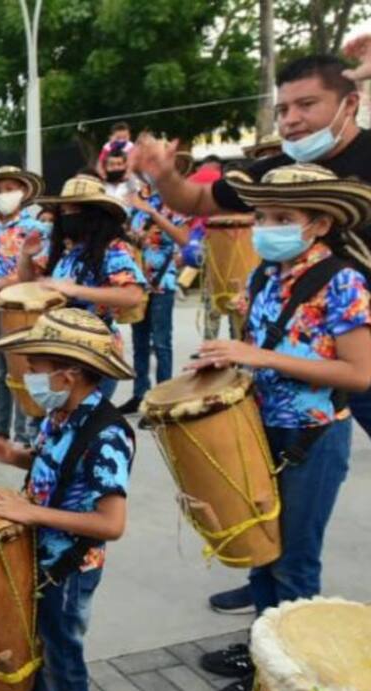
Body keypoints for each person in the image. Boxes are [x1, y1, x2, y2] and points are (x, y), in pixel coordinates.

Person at [185, 166, 371, 691]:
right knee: (260, 547)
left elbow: (360, 374)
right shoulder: (264, 275)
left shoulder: (344, 281)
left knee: (293, 559)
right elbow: (255, 347)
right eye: (263, 217)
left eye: (283, 219)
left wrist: (257, 356)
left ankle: (295, 670)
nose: (267, 228)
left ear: (318, 223)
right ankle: (265, 647)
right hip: (258, 427)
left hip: (312, 436)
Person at [133, 53, 371, 439]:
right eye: (282, 109)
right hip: (304, 353)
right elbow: (196, 201)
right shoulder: (272, 175)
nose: (290, 119)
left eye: (306, 105)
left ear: (350, 103)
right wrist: (164, 176)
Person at [0, 307, 135, 691]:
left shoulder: (107, 434)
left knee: (64, 651)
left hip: (71, 564)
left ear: (67, 375)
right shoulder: (59, 414)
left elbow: (112, 523)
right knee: (39, 636)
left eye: (35, 367)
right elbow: (51, 465)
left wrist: (33, 516)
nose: (27, 377)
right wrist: (15, 457)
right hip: (38, 553)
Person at [24, 174, 148, 401]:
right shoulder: (64, 251)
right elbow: (27, 282)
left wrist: (75, 290)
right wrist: (25, 255)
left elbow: (133, 295)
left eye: (75, 210)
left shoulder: (113, 249)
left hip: (95, 351)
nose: (68, 217)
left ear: (94, 214)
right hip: (60, 348)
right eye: (64, 211)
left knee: (86, 419)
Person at [0, 165, 48, 445]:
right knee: (0, 370)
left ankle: (23, 432)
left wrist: (10, 280)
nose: (4, 195)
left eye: (10, 189)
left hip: (20, 306)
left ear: (24, 192)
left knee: (21, 367)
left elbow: (40, 267)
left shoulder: (36, 228)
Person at [116, 184, 190, 414]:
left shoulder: (175, 207)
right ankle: (139, 395)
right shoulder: (132, 207)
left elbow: (183, 240)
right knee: (139, 344)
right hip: (137, 283)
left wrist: (153, 213)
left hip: (161, 284)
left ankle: (162, 398)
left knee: (161, 343)